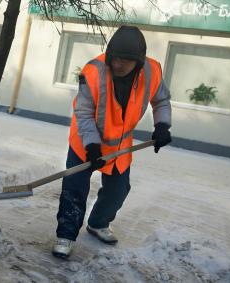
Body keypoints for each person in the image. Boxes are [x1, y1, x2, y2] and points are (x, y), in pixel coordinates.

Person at [52, 25, 172, 258]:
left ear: (137, 61)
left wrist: (162, 126)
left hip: (119, 145)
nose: (117, 64)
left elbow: (162, 100)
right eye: (114, 58)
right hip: (85, 142)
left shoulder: (152, 71)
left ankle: (98, 223)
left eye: (124, 61)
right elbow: (84, 113)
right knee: (74, 188)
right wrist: (92, 146)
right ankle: (65, 235)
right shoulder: (94, 71)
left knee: (118, 190)